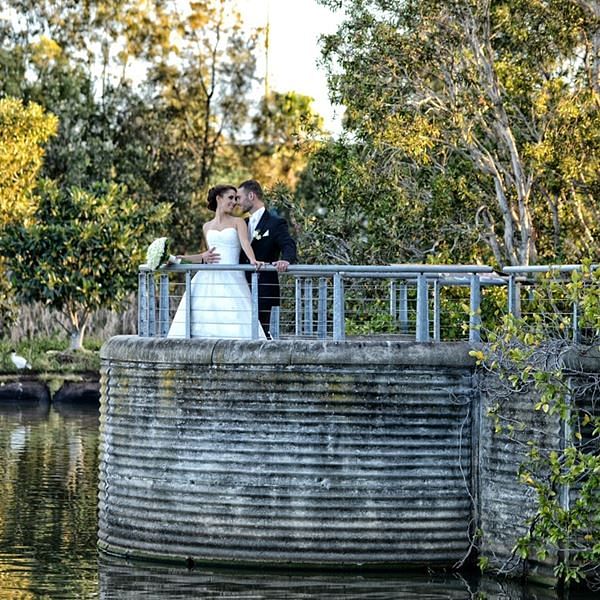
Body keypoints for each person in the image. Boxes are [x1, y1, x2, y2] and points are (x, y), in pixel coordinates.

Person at [167, 185, 266, 339]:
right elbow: (208, 254)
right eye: (230, 198)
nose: (234, 202)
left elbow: (245, 243)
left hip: (232, 276)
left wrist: (253, 260)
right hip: (207, 276)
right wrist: (179, 258)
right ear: (219, 198)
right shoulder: (206, 226)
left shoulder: (238, 222)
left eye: (236, 198)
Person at [236, 179, 297, 338]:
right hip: (240, 286)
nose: (237, 203)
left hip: (264, 287)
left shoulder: (275, 223)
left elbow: (288, 244)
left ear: (251, 196)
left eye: (239, 197)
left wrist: (286, 260)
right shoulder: (242, 223)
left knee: (262, 334)